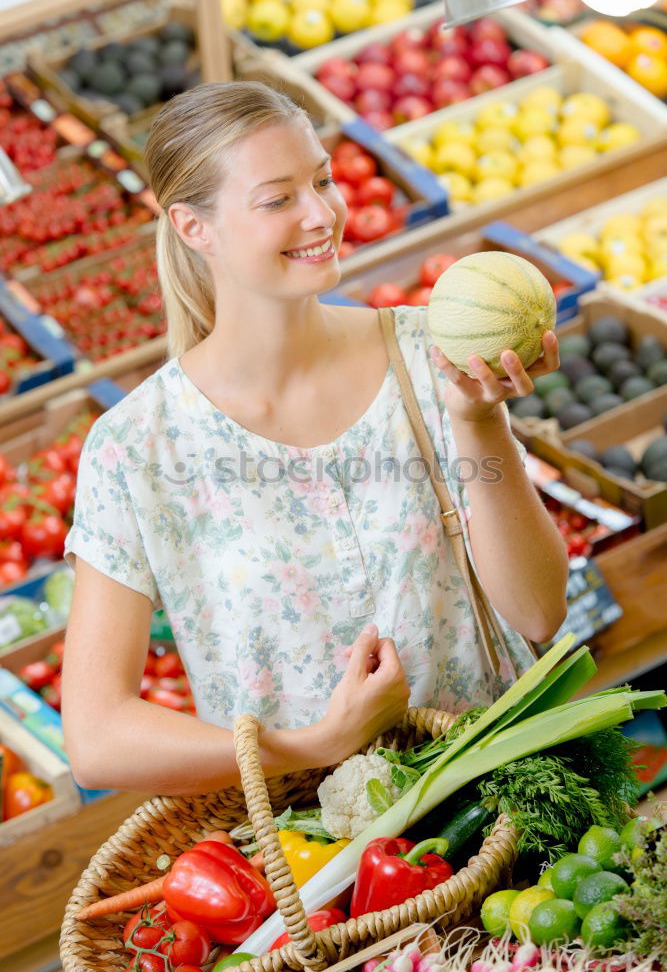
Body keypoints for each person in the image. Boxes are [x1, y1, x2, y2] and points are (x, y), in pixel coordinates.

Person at [62, 81, 568, 797]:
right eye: (277, 199)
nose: (323, 213)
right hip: (321, 861)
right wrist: (315, 744)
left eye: (323, 180)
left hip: (513, 799)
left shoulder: (431, 353)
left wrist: (476, 418)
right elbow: (97, 739)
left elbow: (539, 610)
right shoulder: (138, 449)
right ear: (192, 226)